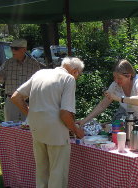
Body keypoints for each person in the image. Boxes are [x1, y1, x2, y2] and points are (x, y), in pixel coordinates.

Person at [11, 57, 85, 188]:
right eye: (79, 74)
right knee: (57, 173)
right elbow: (65, 114)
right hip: (56, 132)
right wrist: (76, 130)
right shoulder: (68, 79)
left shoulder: (40, 73)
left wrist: (32, 114)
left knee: (41, 171)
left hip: (37, 128)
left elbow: (16, 97)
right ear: (75, 71)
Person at [76, 59, 138, 125]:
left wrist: (119, 98)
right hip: (135, 121)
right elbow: (102, 105)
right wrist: (84, 121)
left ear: (128, 76)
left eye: (119, 78)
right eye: (114, 77)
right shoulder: (115, 86)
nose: (116, 81)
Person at [0, 39, 41, 121]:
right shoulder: (7, 63)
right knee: (10, 129)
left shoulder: (34, 64)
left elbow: (39, 83)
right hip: (11, 102)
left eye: (16, 48)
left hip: (28, 102)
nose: (13, 50)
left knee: (29, 128)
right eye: (12, 48)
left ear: (24, 49)